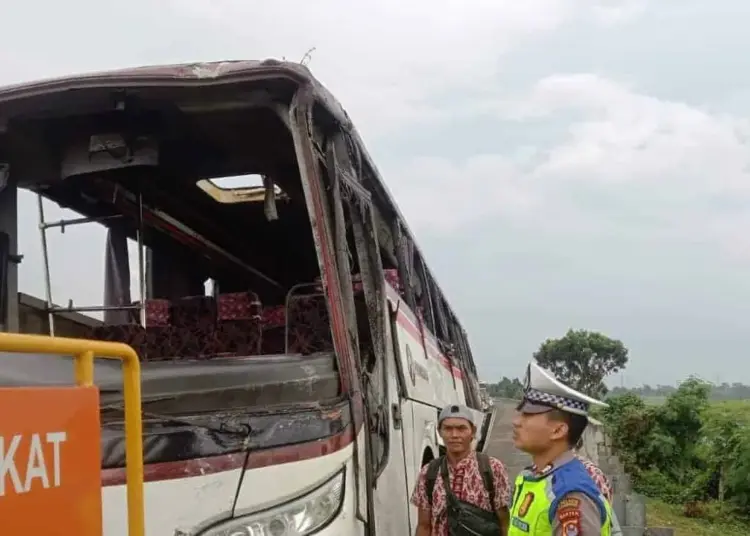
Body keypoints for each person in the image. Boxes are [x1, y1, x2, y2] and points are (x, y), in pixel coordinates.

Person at [509, 361, 615, 535]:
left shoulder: (570, 494)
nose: (516, 422)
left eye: (527, 415)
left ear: (558, 430)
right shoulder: (537, 477)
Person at [411, 404, 511, 535]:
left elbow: (505, 524)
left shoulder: (492, 468)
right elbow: (424, 526)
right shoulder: (428, 472)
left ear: (473, 432)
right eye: (447, 428)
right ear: (439, 432)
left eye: (461, 429)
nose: (454, 435)